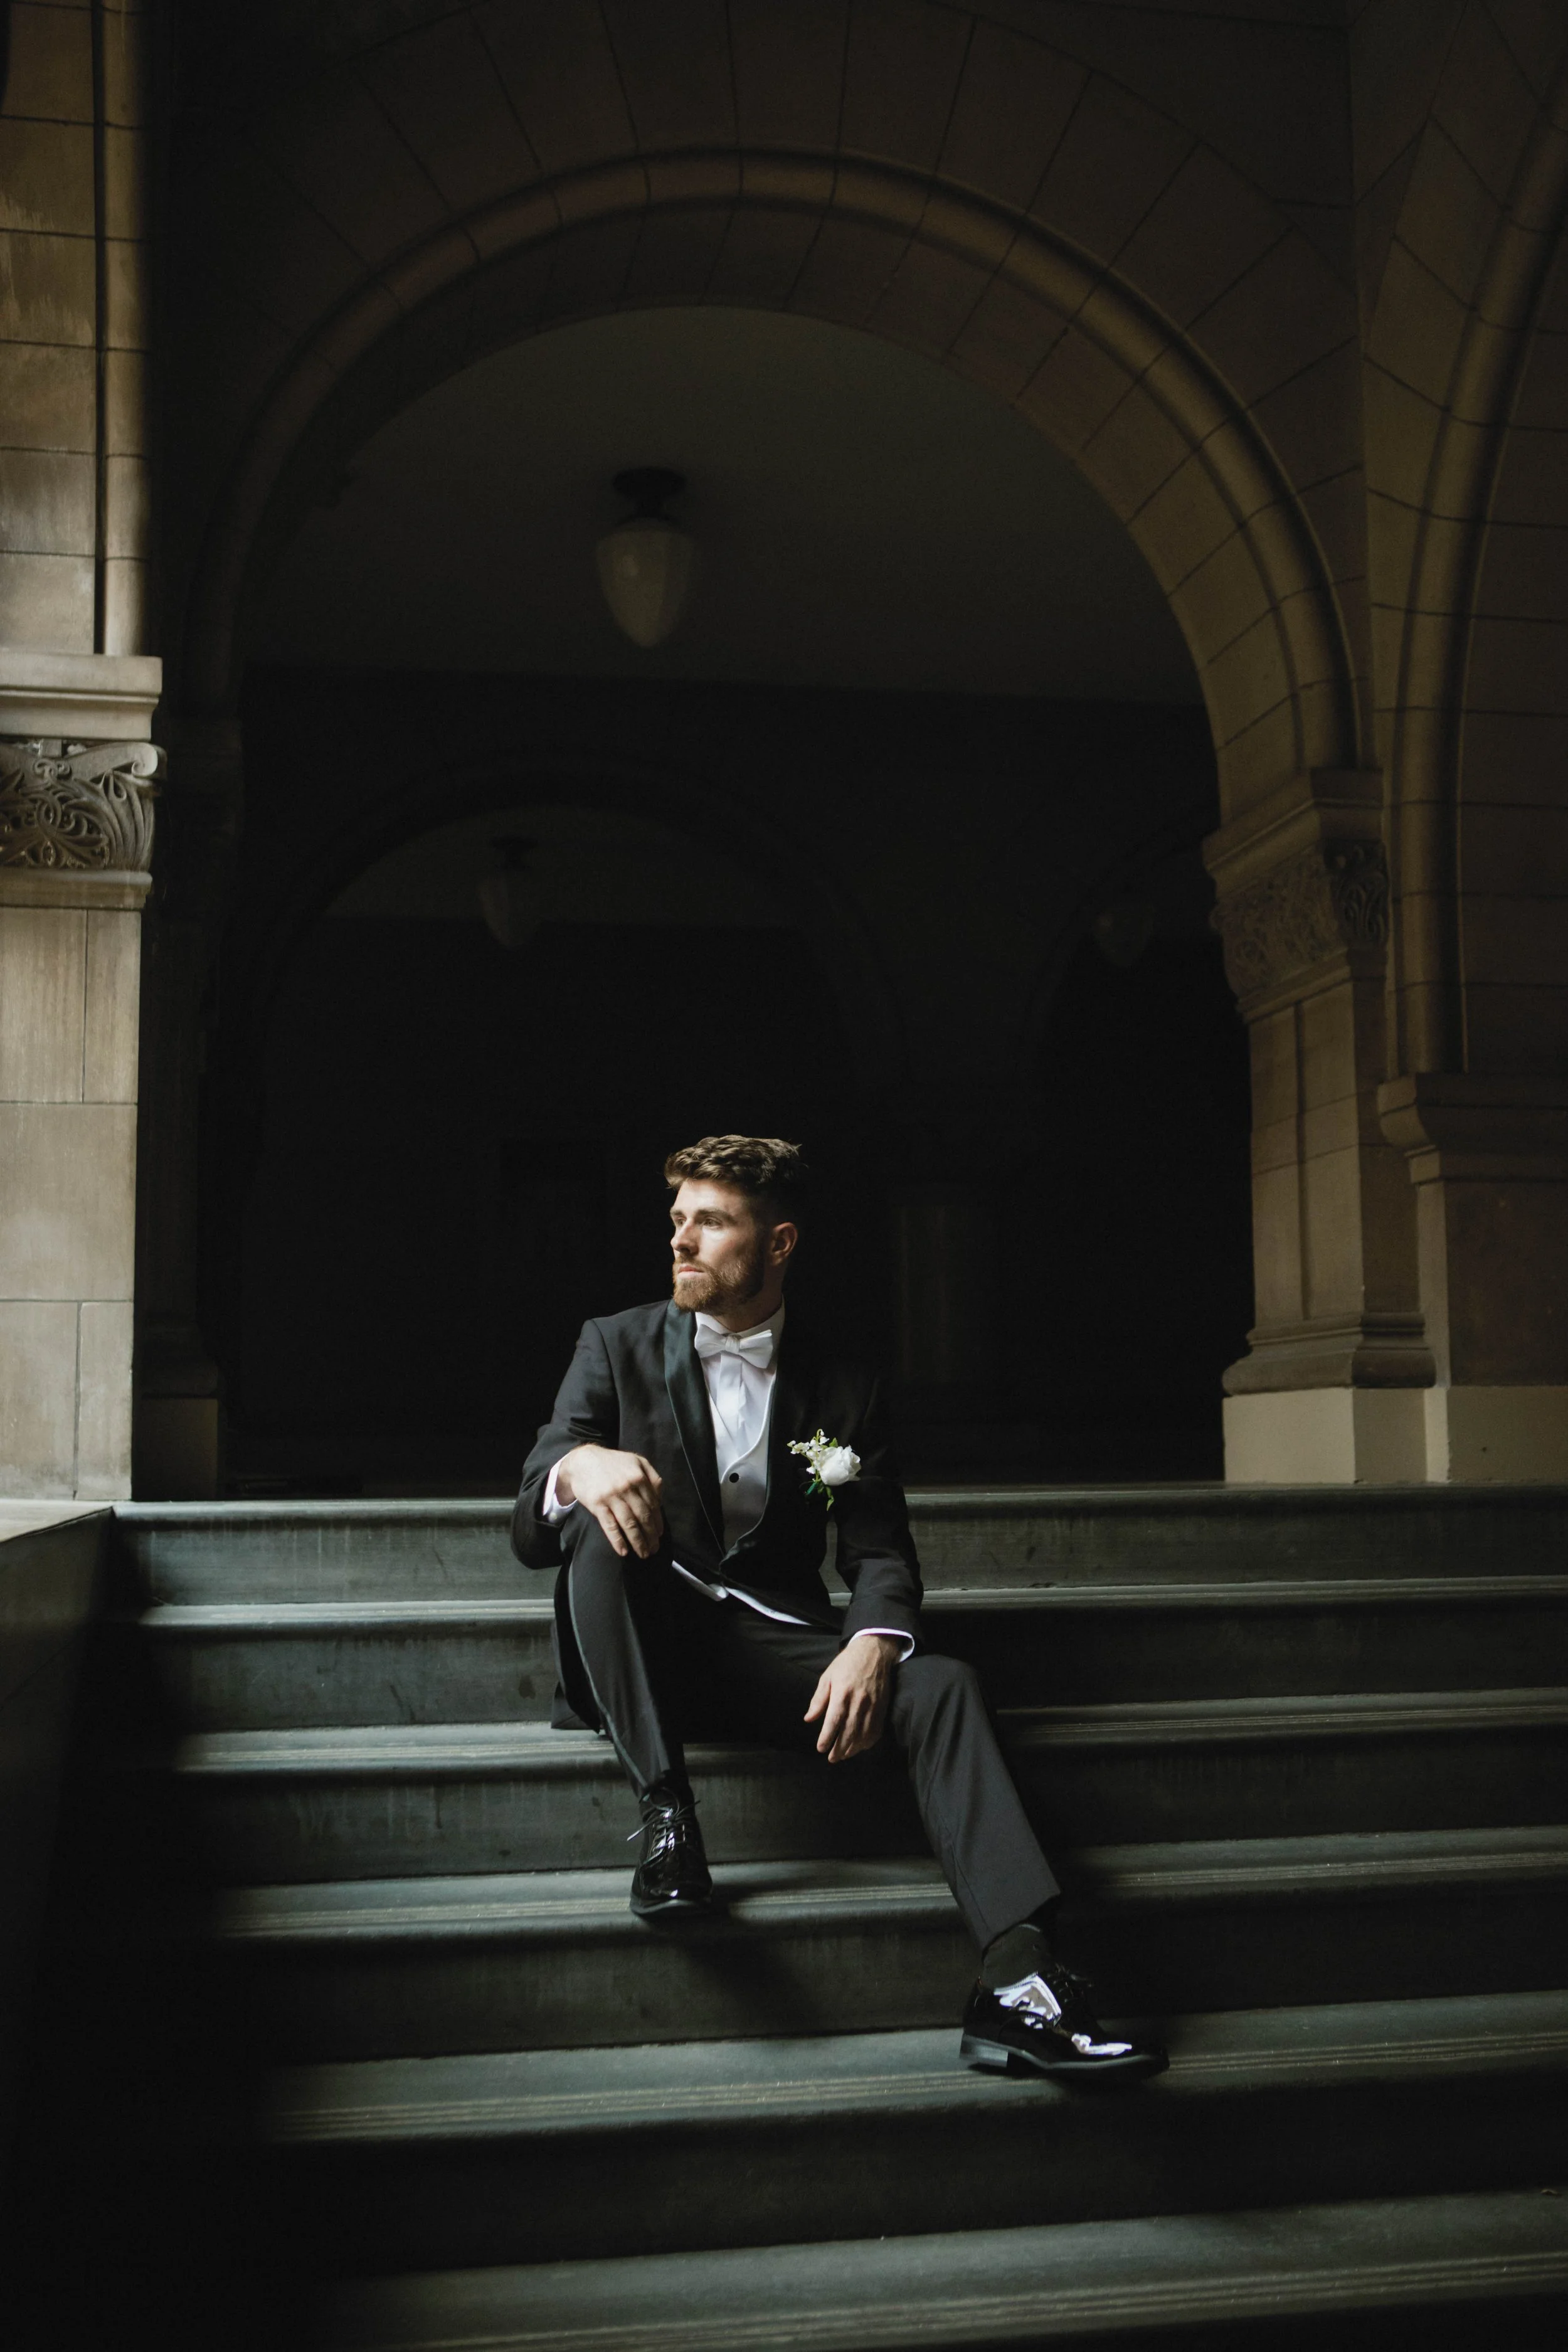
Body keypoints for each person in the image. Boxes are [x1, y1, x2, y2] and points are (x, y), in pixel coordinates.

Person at [512, 1135, 1165, 2080]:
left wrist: (871, 1642)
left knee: (940, 1684)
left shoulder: (845, 1383)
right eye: (677, 1221)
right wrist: (578, 1464)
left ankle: (1019, 1983)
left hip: (766, 1651)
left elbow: (879, 1553)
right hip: (633, 1649)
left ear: (778, 1244)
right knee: (595, 1525)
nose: (682, 1241)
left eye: (711, 1221)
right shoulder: (613, 1344)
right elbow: (531, 1523)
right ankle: (667, 1817)